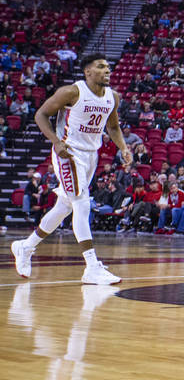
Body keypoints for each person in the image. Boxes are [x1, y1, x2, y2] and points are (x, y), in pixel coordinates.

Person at [10, 55, 129, 284]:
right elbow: (41, 114)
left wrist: (123, 148)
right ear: (87, 72)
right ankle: (91, 266)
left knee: (64, 207)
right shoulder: (72, 92)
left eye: (108, 67)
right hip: (68, 153)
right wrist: (56, 141)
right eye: (101, 67)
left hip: (90, 155)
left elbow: (113, 126)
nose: (107, 71)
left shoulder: (112, 97)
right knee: (81, 204)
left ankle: (25, 247)